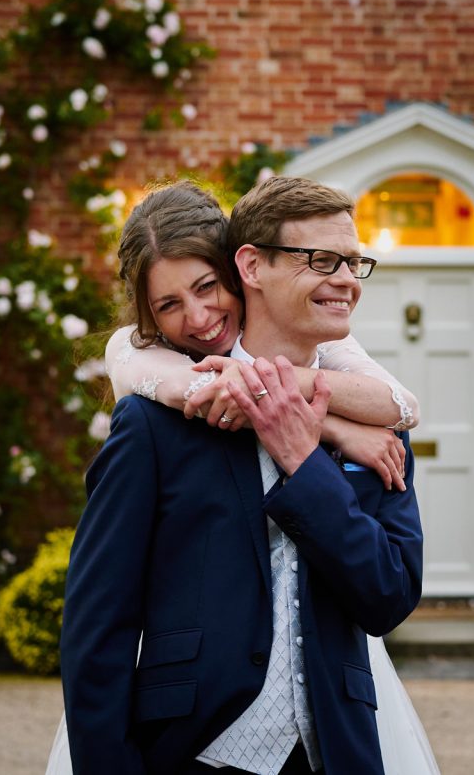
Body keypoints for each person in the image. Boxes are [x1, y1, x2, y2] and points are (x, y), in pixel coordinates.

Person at [59, 177, 432, 774]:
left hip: (336, 752)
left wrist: (306, 462)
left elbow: (388, 598)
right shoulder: (157, 421)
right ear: (252, 266)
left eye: (352, 263)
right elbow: (98, 625)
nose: (343, 279)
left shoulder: (375, 421)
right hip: (193, 750)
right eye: (321, 260)